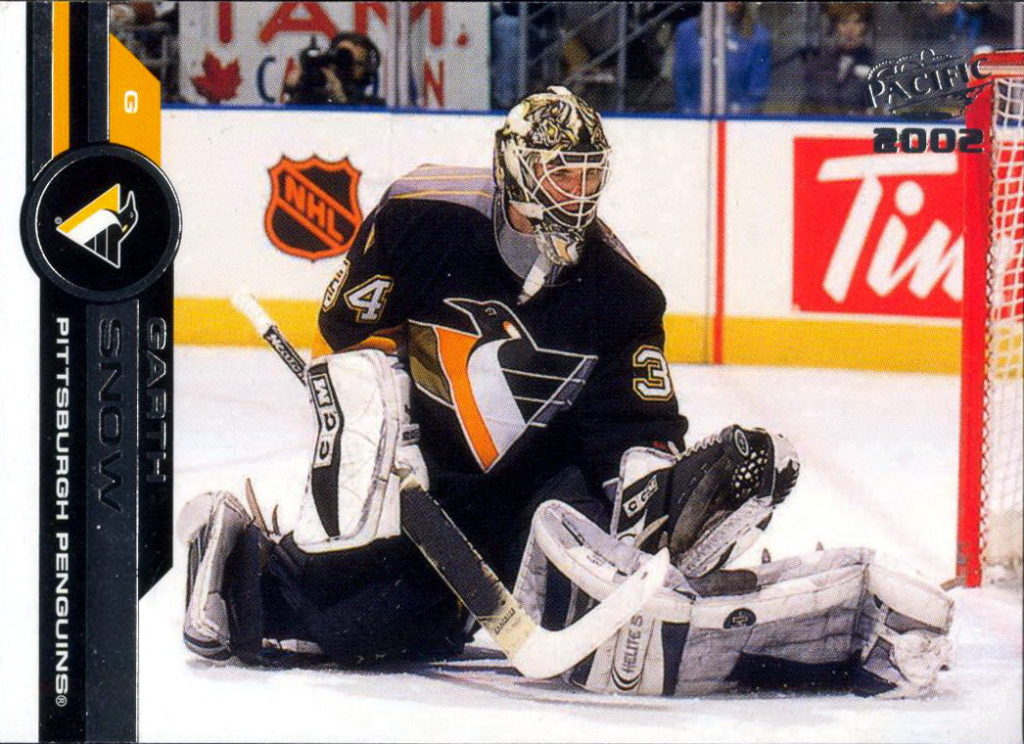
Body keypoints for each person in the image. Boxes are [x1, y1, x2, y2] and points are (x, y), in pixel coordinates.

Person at [178, 87, 954, 697]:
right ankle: (229, 547)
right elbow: (348, 333)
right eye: (561, 172)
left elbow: (634, 426)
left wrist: (655, 488)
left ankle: (785, 598)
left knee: (596, 611)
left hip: (537, 497)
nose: (578, 192)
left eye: (589, 174)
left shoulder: (622, 293)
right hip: (427, 484)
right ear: (517, 168)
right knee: (361, 629)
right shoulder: (423, 216)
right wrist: (390, 436)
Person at [673, 2, 772, 115]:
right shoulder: (687, 32)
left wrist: (737, 118)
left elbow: (757, 91)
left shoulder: (759, 37)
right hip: (693, 120)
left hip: (739, 120)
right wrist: (690, 117)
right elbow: (681, 83)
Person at [801, 3, 875, 115]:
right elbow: (807, 107)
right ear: (835, 26)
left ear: (865, 26)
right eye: (844, 22)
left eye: (857, 22)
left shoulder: (877, 64)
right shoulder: (817, 65)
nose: (850, 29)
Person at [282, 32, 384, 106]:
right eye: (341, 59)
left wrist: (343, 102)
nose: (346, 67)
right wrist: (291, 90)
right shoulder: (311, 93)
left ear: (366, 70)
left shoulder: (374, 107)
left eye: (355, 63)